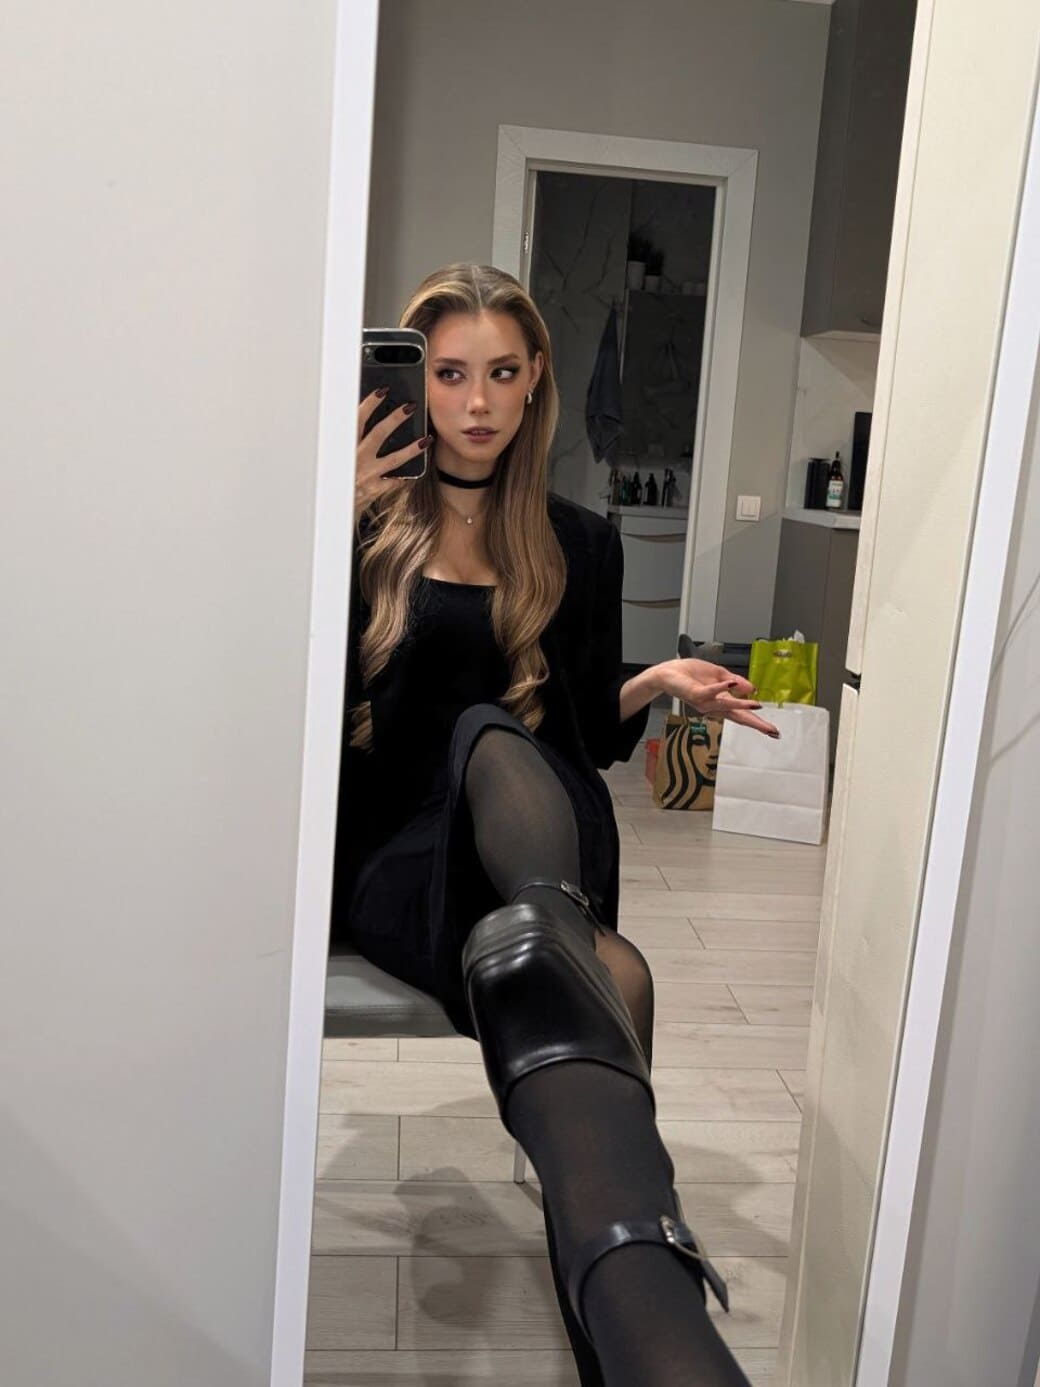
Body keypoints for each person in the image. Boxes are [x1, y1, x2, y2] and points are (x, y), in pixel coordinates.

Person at [331, 263, 780, 1387]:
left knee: (517, 774)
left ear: (536, 379)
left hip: (535, 838)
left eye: (500, 373)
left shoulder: (578, 540)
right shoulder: (354, 524)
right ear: (416, 384)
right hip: (407, 855)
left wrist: (651, 682)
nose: (475, 402)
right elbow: (292, 712)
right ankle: (648, 1313)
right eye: (447, 375)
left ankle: (635, 1342)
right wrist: (326, 526)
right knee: (601, 963)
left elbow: (576, 728)